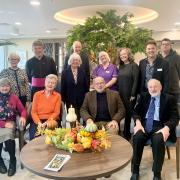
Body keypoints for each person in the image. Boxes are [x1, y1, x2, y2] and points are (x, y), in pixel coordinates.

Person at [130, 79, 179, 180]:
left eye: (155, 86)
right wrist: (138, 123)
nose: (153, 89)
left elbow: (175, 117)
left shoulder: (169, 98)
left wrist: (167, 127)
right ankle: (135, 170)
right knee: (137, 137)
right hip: (144, 125)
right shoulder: (144, 96)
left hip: (160, 125)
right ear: (148, 88)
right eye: (150, 87)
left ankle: (157, 173)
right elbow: (135, 112)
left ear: (160, 87)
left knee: (158, 140)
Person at [0, 78, 26, 176]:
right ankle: (0, 161)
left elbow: (22, 110)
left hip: (10, 122)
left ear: (10, 87)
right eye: (2, 86)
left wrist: (23, 117)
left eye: (6, 86)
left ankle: (12, 160)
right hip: (1, 123)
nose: (4, 88)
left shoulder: (14, 97)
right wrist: (3, 124)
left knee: (8, 134)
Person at [30, 74, 61, 140]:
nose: (50, 84)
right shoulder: (37, 94)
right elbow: (33, 112)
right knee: (35, 138)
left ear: (55, 85)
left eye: (53, 83)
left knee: (50, 138)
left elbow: (56, 112)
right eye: (48, 82)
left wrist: (46, 123)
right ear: (45, 83)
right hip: (37, 121)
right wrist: (39, 123)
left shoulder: (57, 96)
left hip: (52, 120)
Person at [117, 48, 139, 140]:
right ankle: (121, 134)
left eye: (124, 54)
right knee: (122, 113)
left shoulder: (134, 65)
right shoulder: (121, 66)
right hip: (121, 93)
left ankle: (130, 136)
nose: (123, 56)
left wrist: (133, 94)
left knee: (129, 115)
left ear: (129, 54)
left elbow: (136, 80)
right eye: (121, 55)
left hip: (130, 95)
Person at [61, 53, 89, 121]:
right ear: (70, 61)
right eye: (73, 60)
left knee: (80, 117)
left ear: (79, 61)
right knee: (72, 118)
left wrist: (87, 97)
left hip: (81, 98)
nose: (75, 61)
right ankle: (73, 131)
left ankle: (80, 131)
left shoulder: (82, 71)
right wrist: (62, 100)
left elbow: (86, 85)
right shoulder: (65, 72)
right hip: (69, 99)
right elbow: (63, 87)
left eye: (77, 60)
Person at [160, 38, 180, 103]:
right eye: (163, 44)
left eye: (167, 44)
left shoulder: (176, 57)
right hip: (160, 90)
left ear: (170, 46)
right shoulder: (158, 57)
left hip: (173, 91)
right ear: (161, 46)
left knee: (173, 111)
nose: (165, 46)